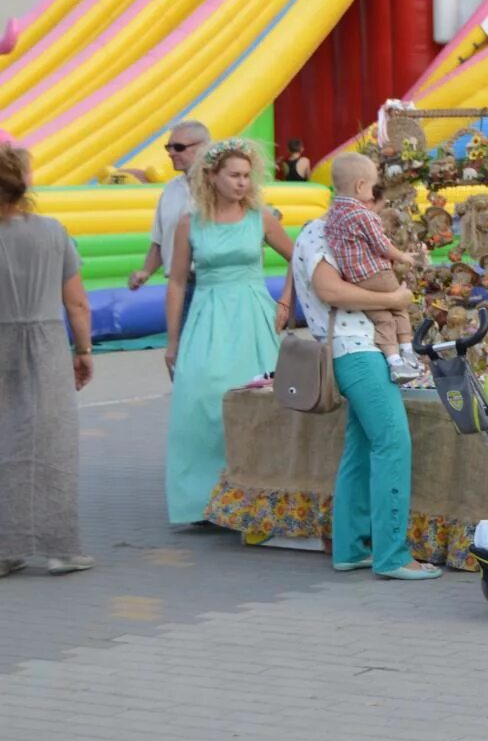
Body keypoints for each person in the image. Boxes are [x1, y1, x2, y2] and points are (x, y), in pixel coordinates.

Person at [290, 202, 439, 579]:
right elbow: (329, 290)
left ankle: (351, 547)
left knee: (360, 448)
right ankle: (392, 555)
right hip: (354, 347)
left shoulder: (328, 231)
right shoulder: (321, 232)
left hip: (357, 348)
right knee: (393, 443)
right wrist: (392, 300)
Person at [163, 138, 294, 526]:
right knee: (201, 403)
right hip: (207, 317)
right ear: (212, 176)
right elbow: (175, 284)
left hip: (253, 316)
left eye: (245, 176)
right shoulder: (190, 223)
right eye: (233, 175)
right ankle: (202, 502)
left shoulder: (261, 217)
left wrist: (285, 302)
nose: (241, 183)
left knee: (257, 406)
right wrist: (173, 340)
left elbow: (300, 258)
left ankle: (255, 502)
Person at [0, 146, 96, 576]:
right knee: (52, 444)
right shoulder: (53, 232)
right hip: (45, 345)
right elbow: (76, 303)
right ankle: (62, 548)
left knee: (6, 444)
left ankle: (6, 548)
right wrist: (84, 350)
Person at [323, 154, 420, 382]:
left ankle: (394, 362)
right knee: (399, 307)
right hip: (376, 274)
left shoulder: (333, 213)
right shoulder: (362, 214)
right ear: (360, 186)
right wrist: (403, 256)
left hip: (355, 280)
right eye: (372, 185)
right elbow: (382, 245)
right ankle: (408, 351)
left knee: (383, 319)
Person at [128, 121, 209, 332]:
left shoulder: (220, 186)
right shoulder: (171, 190)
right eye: (169, 147)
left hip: (210, 285)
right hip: (180, 285)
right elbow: (160, 240)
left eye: (179, 147)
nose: (171, 153)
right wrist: (146, 271)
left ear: (203, 147)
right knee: (182, 356)